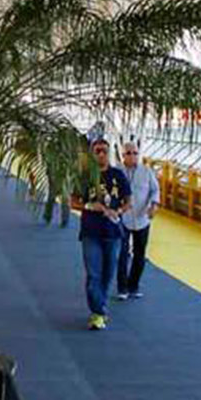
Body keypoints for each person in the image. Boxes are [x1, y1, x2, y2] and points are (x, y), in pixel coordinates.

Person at [70, 133, 130, 331]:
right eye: (97, 151)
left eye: (105, 151)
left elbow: (128, 201)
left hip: (113, 232)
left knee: (107, 273)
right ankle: (98, 311)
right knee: (93, 274)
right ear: (92, 154)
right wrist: (89, 206)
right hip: (91, 232)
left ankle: (100, 307)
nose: (101, 154)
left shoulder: (118, 175)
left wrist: (118, 211)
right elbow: (72, 201)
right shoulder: (85, 177)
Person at [112, 142, 162, 299]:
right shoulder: (117, 171)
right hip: (123, 218)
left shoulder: (146, 171)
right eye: (129, 153)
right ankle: (122, 288)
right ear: (123, 155)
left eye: (135, 153)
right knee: (122, 253)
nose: (132, 156)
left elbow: (155, 190)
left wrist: (154, 205)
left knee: (140, 254)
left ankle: (133, 286)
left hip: (142, 219)